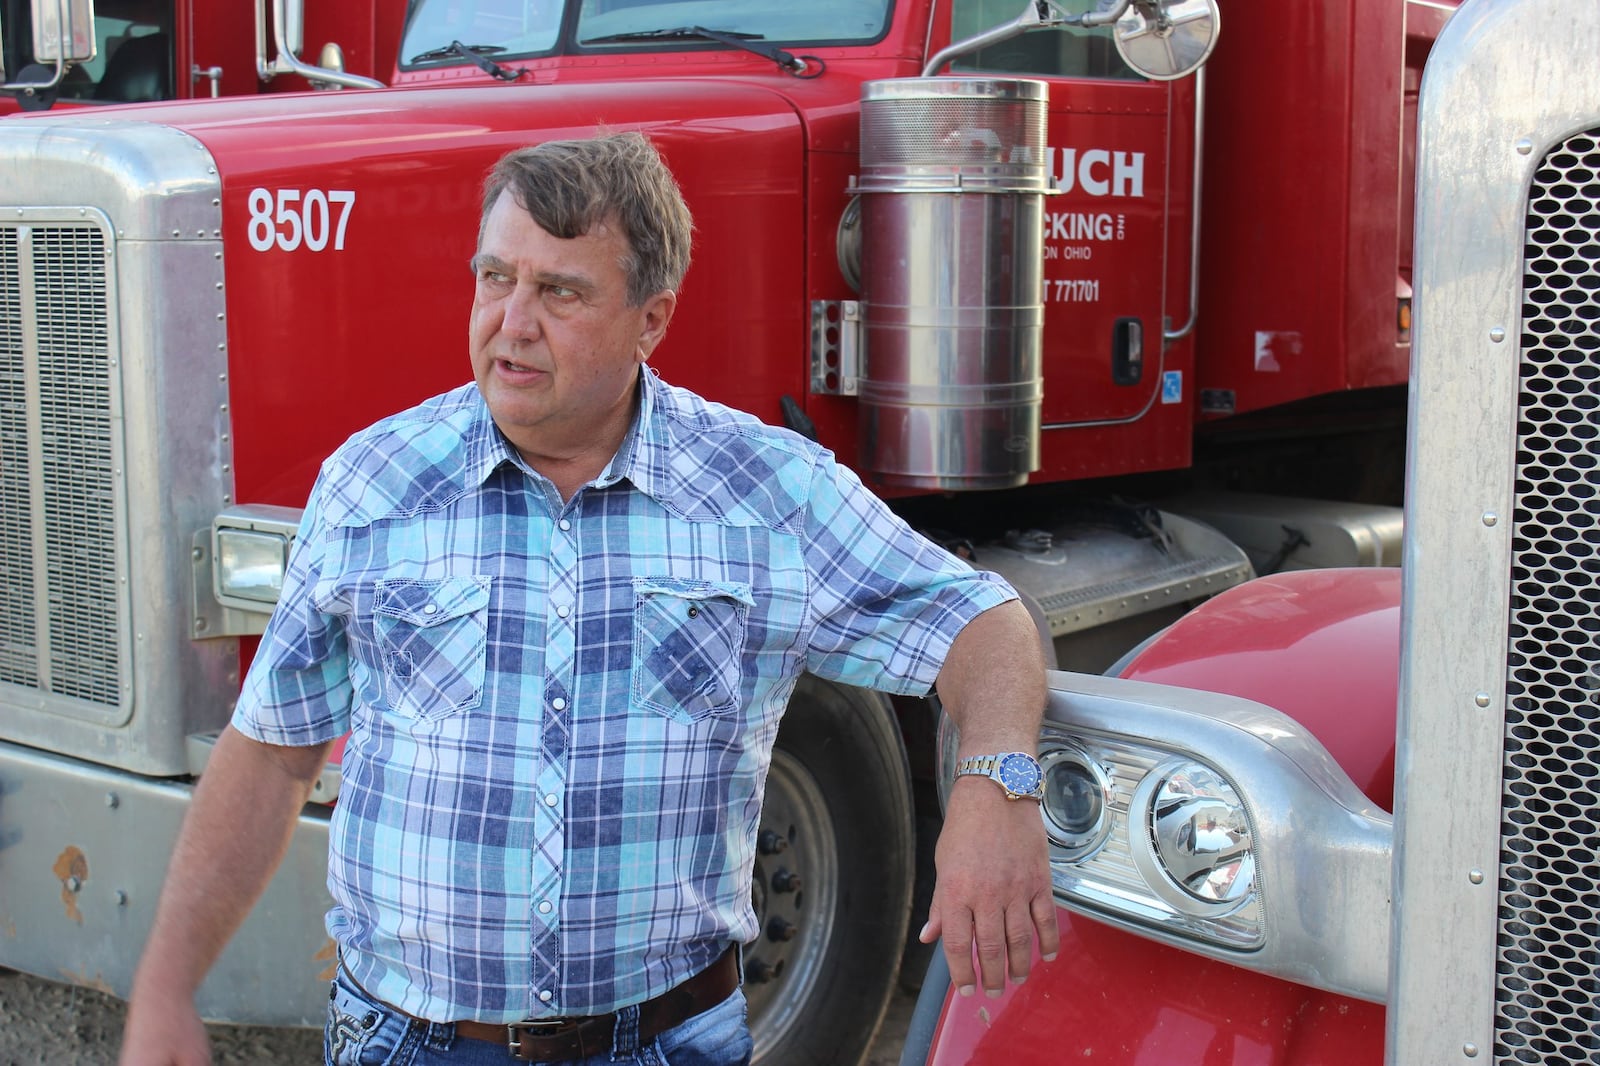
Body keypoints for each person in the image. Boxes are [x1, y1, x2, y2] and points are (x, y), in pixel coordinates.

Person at [119, 131, 1056, 1066]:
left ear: (653, 319)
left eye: (561, 291)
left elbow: (983, 621)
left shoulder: (767, 494)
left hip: (667, 1042)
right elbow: (272, 754)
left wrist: (996, 784)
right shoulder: (373, 484)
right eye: (496, 278)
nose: (512, 322)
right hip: (405, 1043)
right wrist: (164, 984)